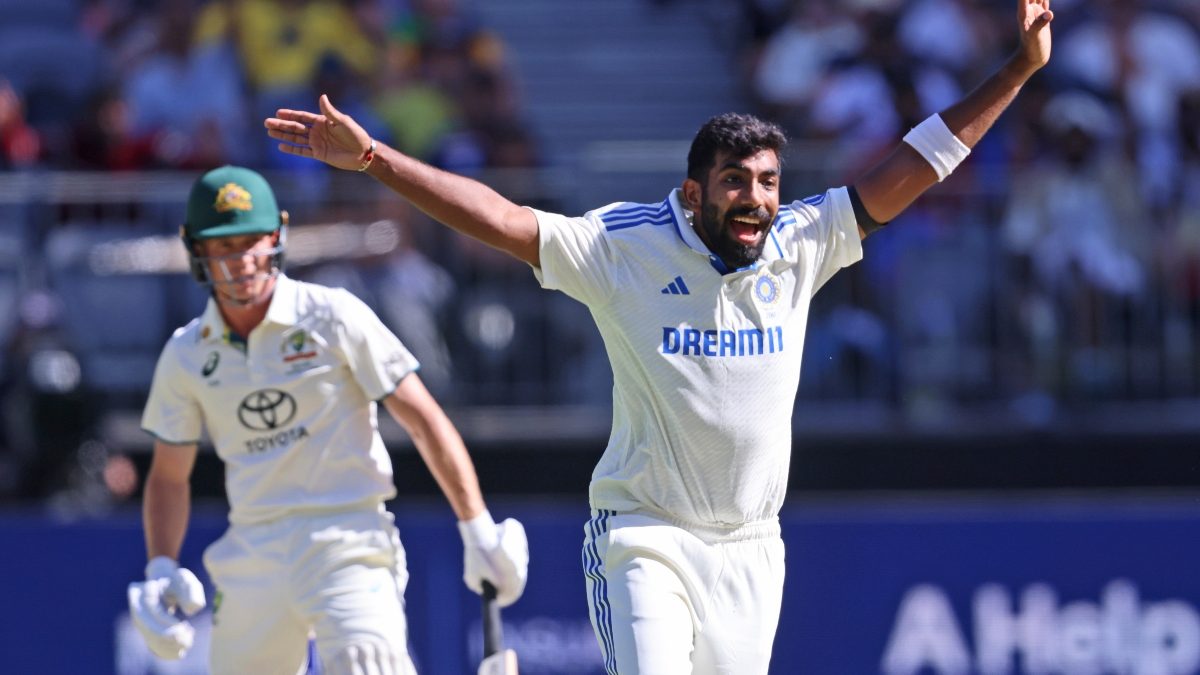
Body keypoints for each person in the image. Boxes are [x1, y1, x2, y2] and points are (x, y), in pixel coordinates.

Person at [264, 1, 1054, 671]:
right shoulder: (623, 248)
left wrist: (1016, 69)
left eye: (769, 182)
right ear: (692, 190)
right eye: (736, 182)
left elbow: (915, 165)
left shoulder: (801, 240)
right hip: (647, 534)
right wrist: (372, 158)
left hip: (752, 546)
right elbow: (501, 219)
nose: (756, 200)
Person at [126, 165, 528, 674]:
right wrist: (160, 566)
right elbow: (168, 475)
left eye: (253, 241)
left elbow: (424, 420)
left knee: (367, 663)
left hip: (349, 536)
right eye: (225, 245)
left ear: (278, 237)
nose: (243, 260)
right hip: (253, 545)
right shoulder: (186, 353)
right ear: (198, 250)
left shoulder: (333, 314)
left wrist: (478, 530)